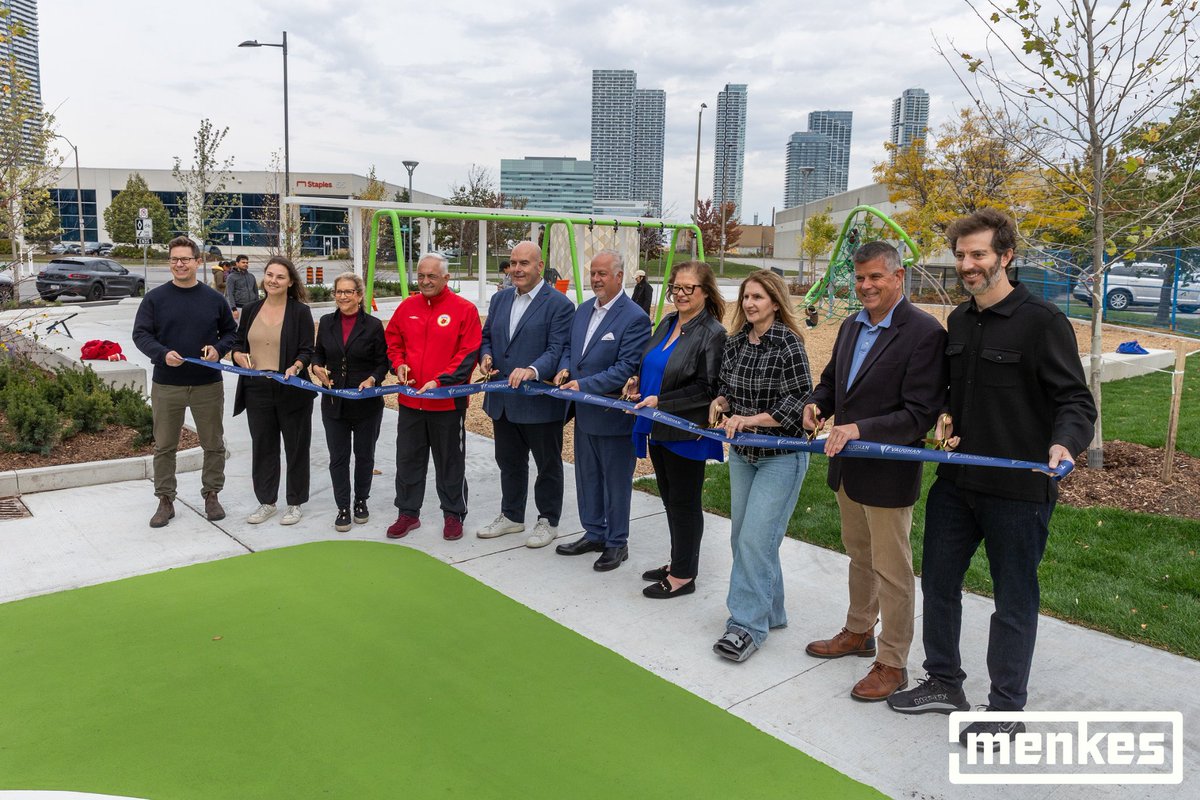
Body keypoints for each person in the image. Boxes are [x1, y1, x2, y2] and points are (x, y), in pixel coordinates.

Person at [887, 209, 1096, 749]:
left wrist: (1063, 442)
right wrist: (945, 416)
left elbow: (1074, 398)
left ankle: (1006, 708)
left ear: (1006, 256)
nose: (968, 264)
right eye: (961, 255)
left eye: (978, 254)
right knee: (937, 582)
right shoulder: (959, 321)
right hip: (958, 483)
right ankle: (943, 681)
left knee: (1014, 599)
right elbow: (955, 392)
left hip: (1019, 489)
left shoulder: (1042, 322)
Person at [801, 241, 947, 701]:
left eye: (875, 278)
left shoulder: (924, 332)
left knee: (893, 571)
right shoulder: (850, 325)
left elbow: (919, 414)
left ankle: (893, 661)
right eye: (860, 278)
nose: (865, 286)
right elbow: (831, 382)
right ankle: (859, 631)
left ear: (898, 277)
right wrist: (817, 404)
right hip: (848, 470)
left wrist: (857, 428)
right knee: (859, 557)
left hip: (888, 472)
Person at [708, 270, 812, 662]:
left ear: (775, 302)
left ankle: (746, 626)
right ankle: (773, 610)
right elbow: (728, 388)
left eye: (759, 297)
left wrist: (749, 421)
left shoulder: (789, 344)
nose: (750, 304)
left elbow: (800, 405)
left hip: (781, 457)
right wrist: (721, 403)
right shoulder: (735, 343)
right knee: (745, 538)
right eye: (747, 296)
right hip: (744, 456)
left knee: (755, 540)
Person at [624, 260, 726, 598]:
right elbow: (653, 363)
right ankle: (677, 560)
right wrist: (638, 381)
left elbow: (707, 388)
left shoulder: (712, 333)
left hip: (686, 430)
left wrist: (662, 401)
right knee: (670, 499)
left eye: (688, 288)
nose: (680, 294)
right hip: (658, 427)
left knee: (684, 502)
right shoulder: (668, 322)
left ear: (706, 291)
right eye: (676, 287)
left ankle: (684, 575)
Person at [553, 249, 651, 571]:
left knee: (615, 483)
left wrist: (584, 385)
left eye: (602, 274)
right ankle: (594, 532)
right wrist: (566, 370)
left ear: (619, 276)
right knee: (587, 478)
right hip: (584, 414)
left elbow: (625, 367)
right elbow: (571, 351)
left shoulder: (634, 317)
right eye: (593, 273)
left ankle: (616, 542)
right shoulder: (582, 311)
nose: (595, 279)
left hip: (613, 418)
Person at [133, 236, 237, 528]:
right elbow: (141, 335)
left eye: (186, 259)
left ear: (197, 262)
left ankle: (212, 494)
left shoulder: (214, 299)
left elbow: (231, 333)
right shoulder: (155, 299)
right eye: (175, 259)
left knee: (213, 444)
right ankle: (165, 499)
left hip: (207, 384)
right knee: (165, 445)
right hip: (168, 384)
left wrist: (219, 350)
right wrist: (162, 355)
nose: (180, 264)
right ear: (170, 263)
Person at [476, 241, 574, 548]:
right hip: (503, 400)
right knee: (509, 461)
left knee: (547, 464)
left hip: (538, 402)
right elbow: (488, 336)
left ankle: (548, 520)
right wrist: (485, 356)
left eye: (524, 263)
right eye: (513, 263)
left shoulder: (559, 304)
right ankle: (512, 516)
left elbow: (556, 349)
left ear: (540, 267)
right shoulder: (500, 299)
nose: (517, 269)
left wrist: (532, 370)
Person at [384, 252, 482, 541]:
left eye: (432, 276)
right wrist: (398, 364)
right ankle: (407, 513)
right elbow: (393, 341)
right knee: (408, 459)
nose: (425, 281)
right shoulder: (407, 307)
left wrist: (440, 382)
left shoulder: (464, 310)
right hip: (411, 401)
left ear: (446, 278)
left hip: (448, 403)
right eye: (421, 275)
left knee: (450, 461)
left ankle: (453, 514)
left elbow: (468, 355)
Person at [230, 256, 317, 527]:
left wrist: (297, 365)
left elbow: (307, 348)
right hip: (257, 389)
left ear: (290, 282)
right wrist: (236, 356)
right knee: (264, 447)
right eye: (269, 274)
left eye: (280, 276)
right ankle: (267, 501)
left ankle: (295, 503)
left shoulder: (300, 311)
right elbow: (237, 342)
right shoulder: (251, 309)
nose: (273, 280)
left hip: (291, 389)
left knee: (296, 447)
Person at [310, 271, 390, 532]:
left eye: (348, 292)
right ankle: (343, 505)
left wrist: (372, 379)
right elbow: (318, 353)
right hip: (334, 402)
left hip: (366, 404)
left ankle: (360, 501)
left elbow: (382, 362)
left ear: (358, 295)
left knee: (365, 456)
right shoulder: (325, 321)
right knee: (338, 457)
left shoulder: (373, 325)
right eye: (339, 292)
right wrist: (317, 368)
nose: (342, 296)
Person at [225, 254, 257, 320]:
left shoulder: (251, 276)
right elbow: (229, 294)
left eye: (247, 262)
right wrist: (234, 309)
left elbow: (256, 292)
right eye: (243, 262)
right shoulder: (231, 277)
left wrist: (257, 306)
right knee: (238, 329)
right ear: (237, 263)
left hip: (252, 308)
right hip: (239, 308)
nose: (245, 264)